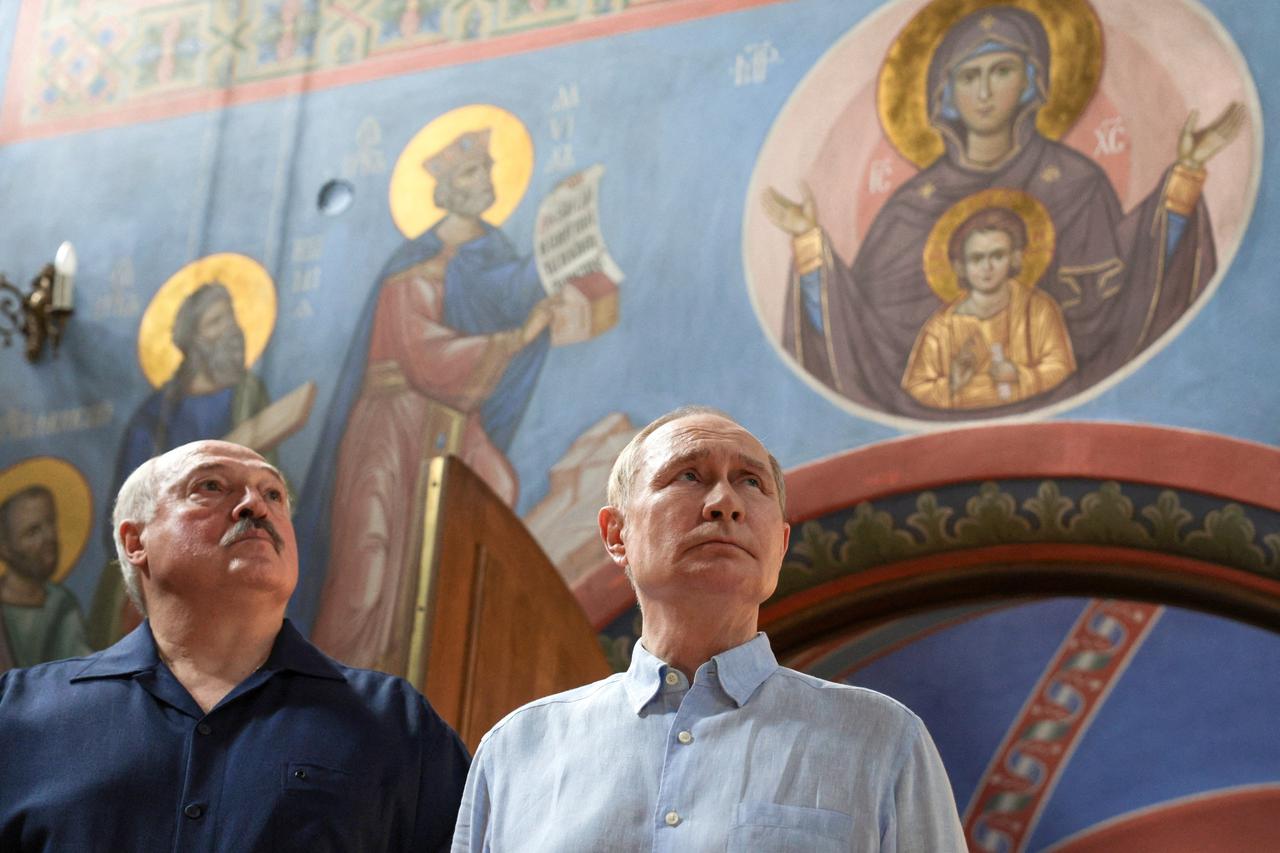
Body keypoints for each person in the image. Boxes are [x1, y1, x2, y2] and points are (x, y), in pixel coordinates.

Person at [452, 407, 965, 851]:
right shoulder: (518, 750)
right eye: (688, 476)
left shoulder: (882, 740)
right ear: (616, 534)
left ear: (781, 546)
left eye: (751, 481)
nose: (726, 502)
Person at [763, 4, 1243, 419]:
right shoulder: (909, 209)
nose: (985, 92)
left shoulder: (1077, 182)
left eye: (1001, 71)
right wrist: (810, 246)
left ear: (1032, 79)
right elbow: (863, 335)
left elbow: (1133, 288)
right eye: (969, 76)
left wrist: (1185, 175)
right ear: (944, 93)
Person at [0, 440, 468, 851]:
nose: (256, 507)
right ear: (135, 540)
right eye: (210, 486)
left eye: (273, 494)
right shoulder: (18, 716)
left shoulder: (396, 724)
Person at [298, 128, 559, 670]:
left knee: (489, 497)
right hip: (389, 429)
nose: (485, 180)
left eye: (488, 169)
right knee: (370, 561)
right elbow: (425, 354)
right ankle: (346, 687)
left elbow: (507, 291)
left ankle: (439, 669)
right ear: (445, 187)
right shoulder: (410, 261)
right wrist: (516, 338)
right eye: (472, 171)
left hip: (446, 422)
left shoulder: (494, 254)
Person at [89, 282, 278, 648]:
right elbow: (126, 509)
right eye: (215, 322)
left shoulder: (248, 394)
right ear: (192, 341)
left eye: (231, 319)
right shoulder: (155, 417)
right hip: (170, 564)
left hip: (239, 555)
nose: (231, 330)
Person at [903, 205, 1074, 409]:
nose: (987, 267)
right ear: (960, 267)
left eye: (997, 256)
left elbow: (1061, 366)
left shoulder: (1037, 308)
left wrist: (1018, 374)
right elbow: (917, 387)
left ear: (1014, 258)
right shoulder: (941, 328)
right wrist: (952, 383)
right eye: (976, 258)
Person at [0, 485, 91, 669]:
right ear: (5, 548)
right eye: (33, 532)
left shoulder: (61, 603)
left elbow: (81, 667)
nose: (49, 537)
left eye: (51, 523)